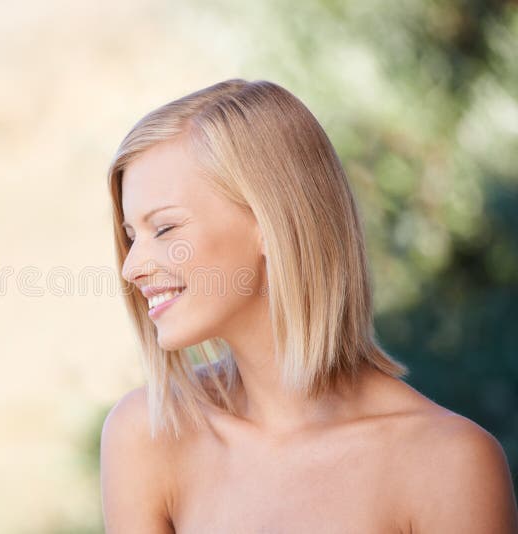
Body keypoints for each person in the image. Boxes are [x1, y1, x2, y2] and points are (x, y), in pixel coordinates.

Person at [99, 79, 518, 533]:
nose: (133, 267)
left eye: (164, 229)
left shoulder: (448, 464)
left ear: (269, 222)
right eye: (130, 236)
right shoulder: (148, 435)